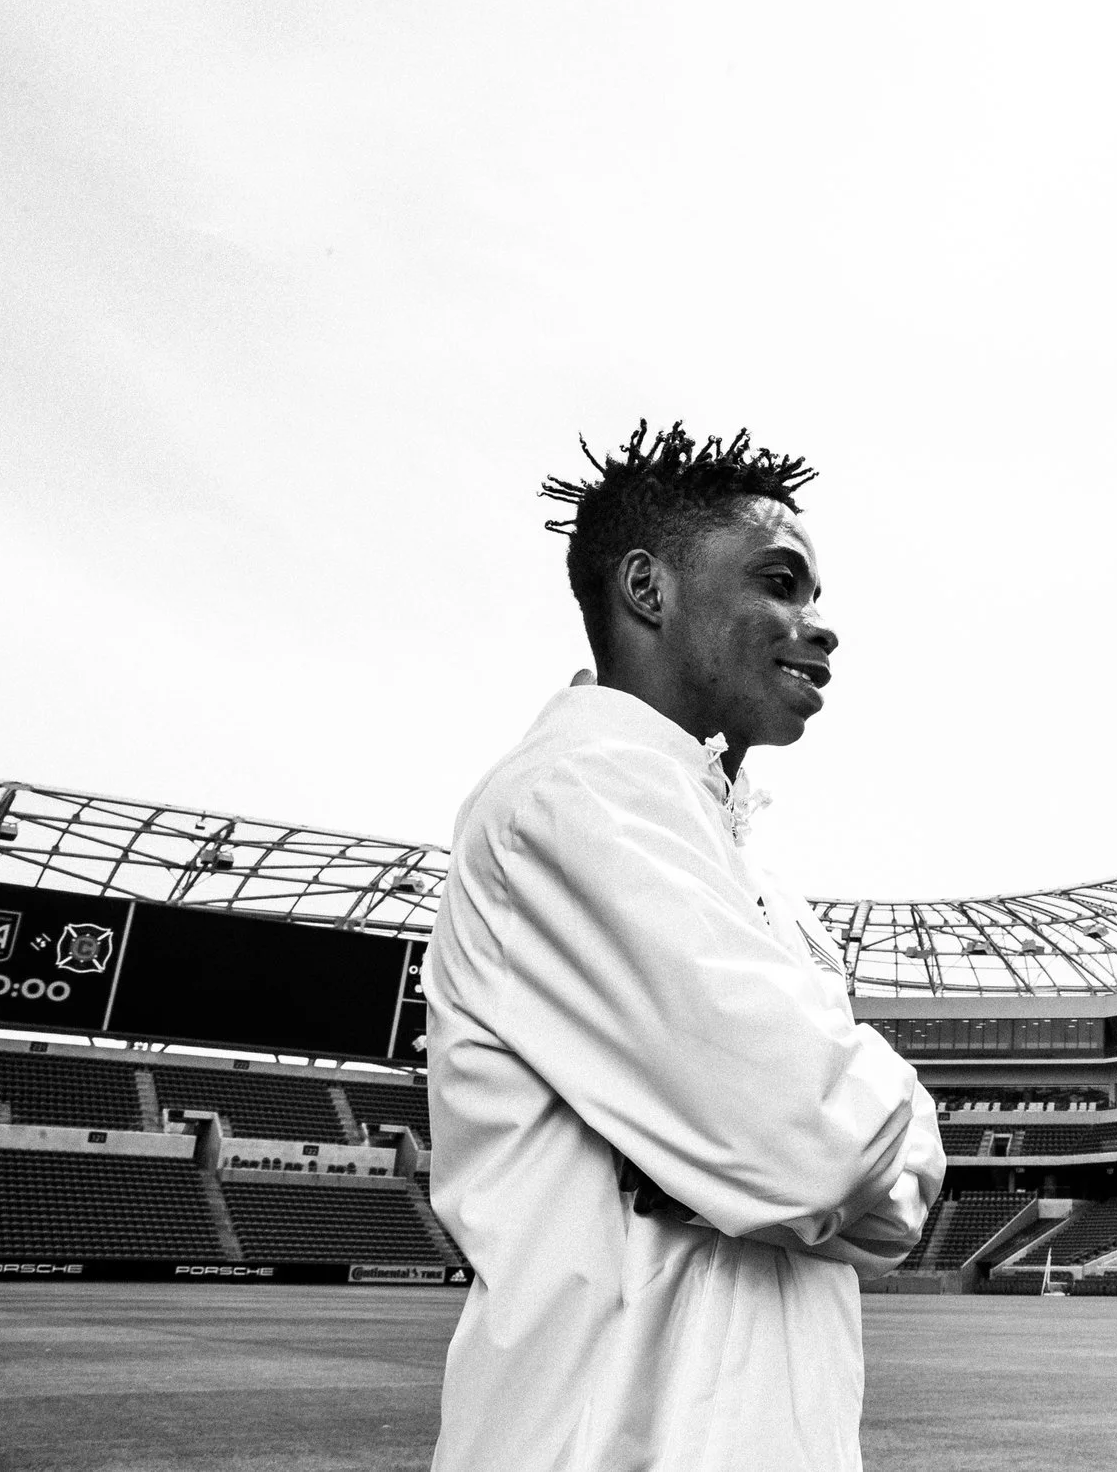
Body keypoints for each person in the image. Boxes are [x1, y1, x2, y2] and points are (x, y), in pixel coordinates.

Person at [427, 422, 942, 1472]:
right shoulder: (574, 795)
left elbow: (892, 1206)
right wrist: (834, 1149)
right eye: (780, 582)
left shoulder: (735, 857)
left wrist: (764, 1169)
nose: (820, 625)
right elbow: (816, 1147)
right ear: (647, 589)